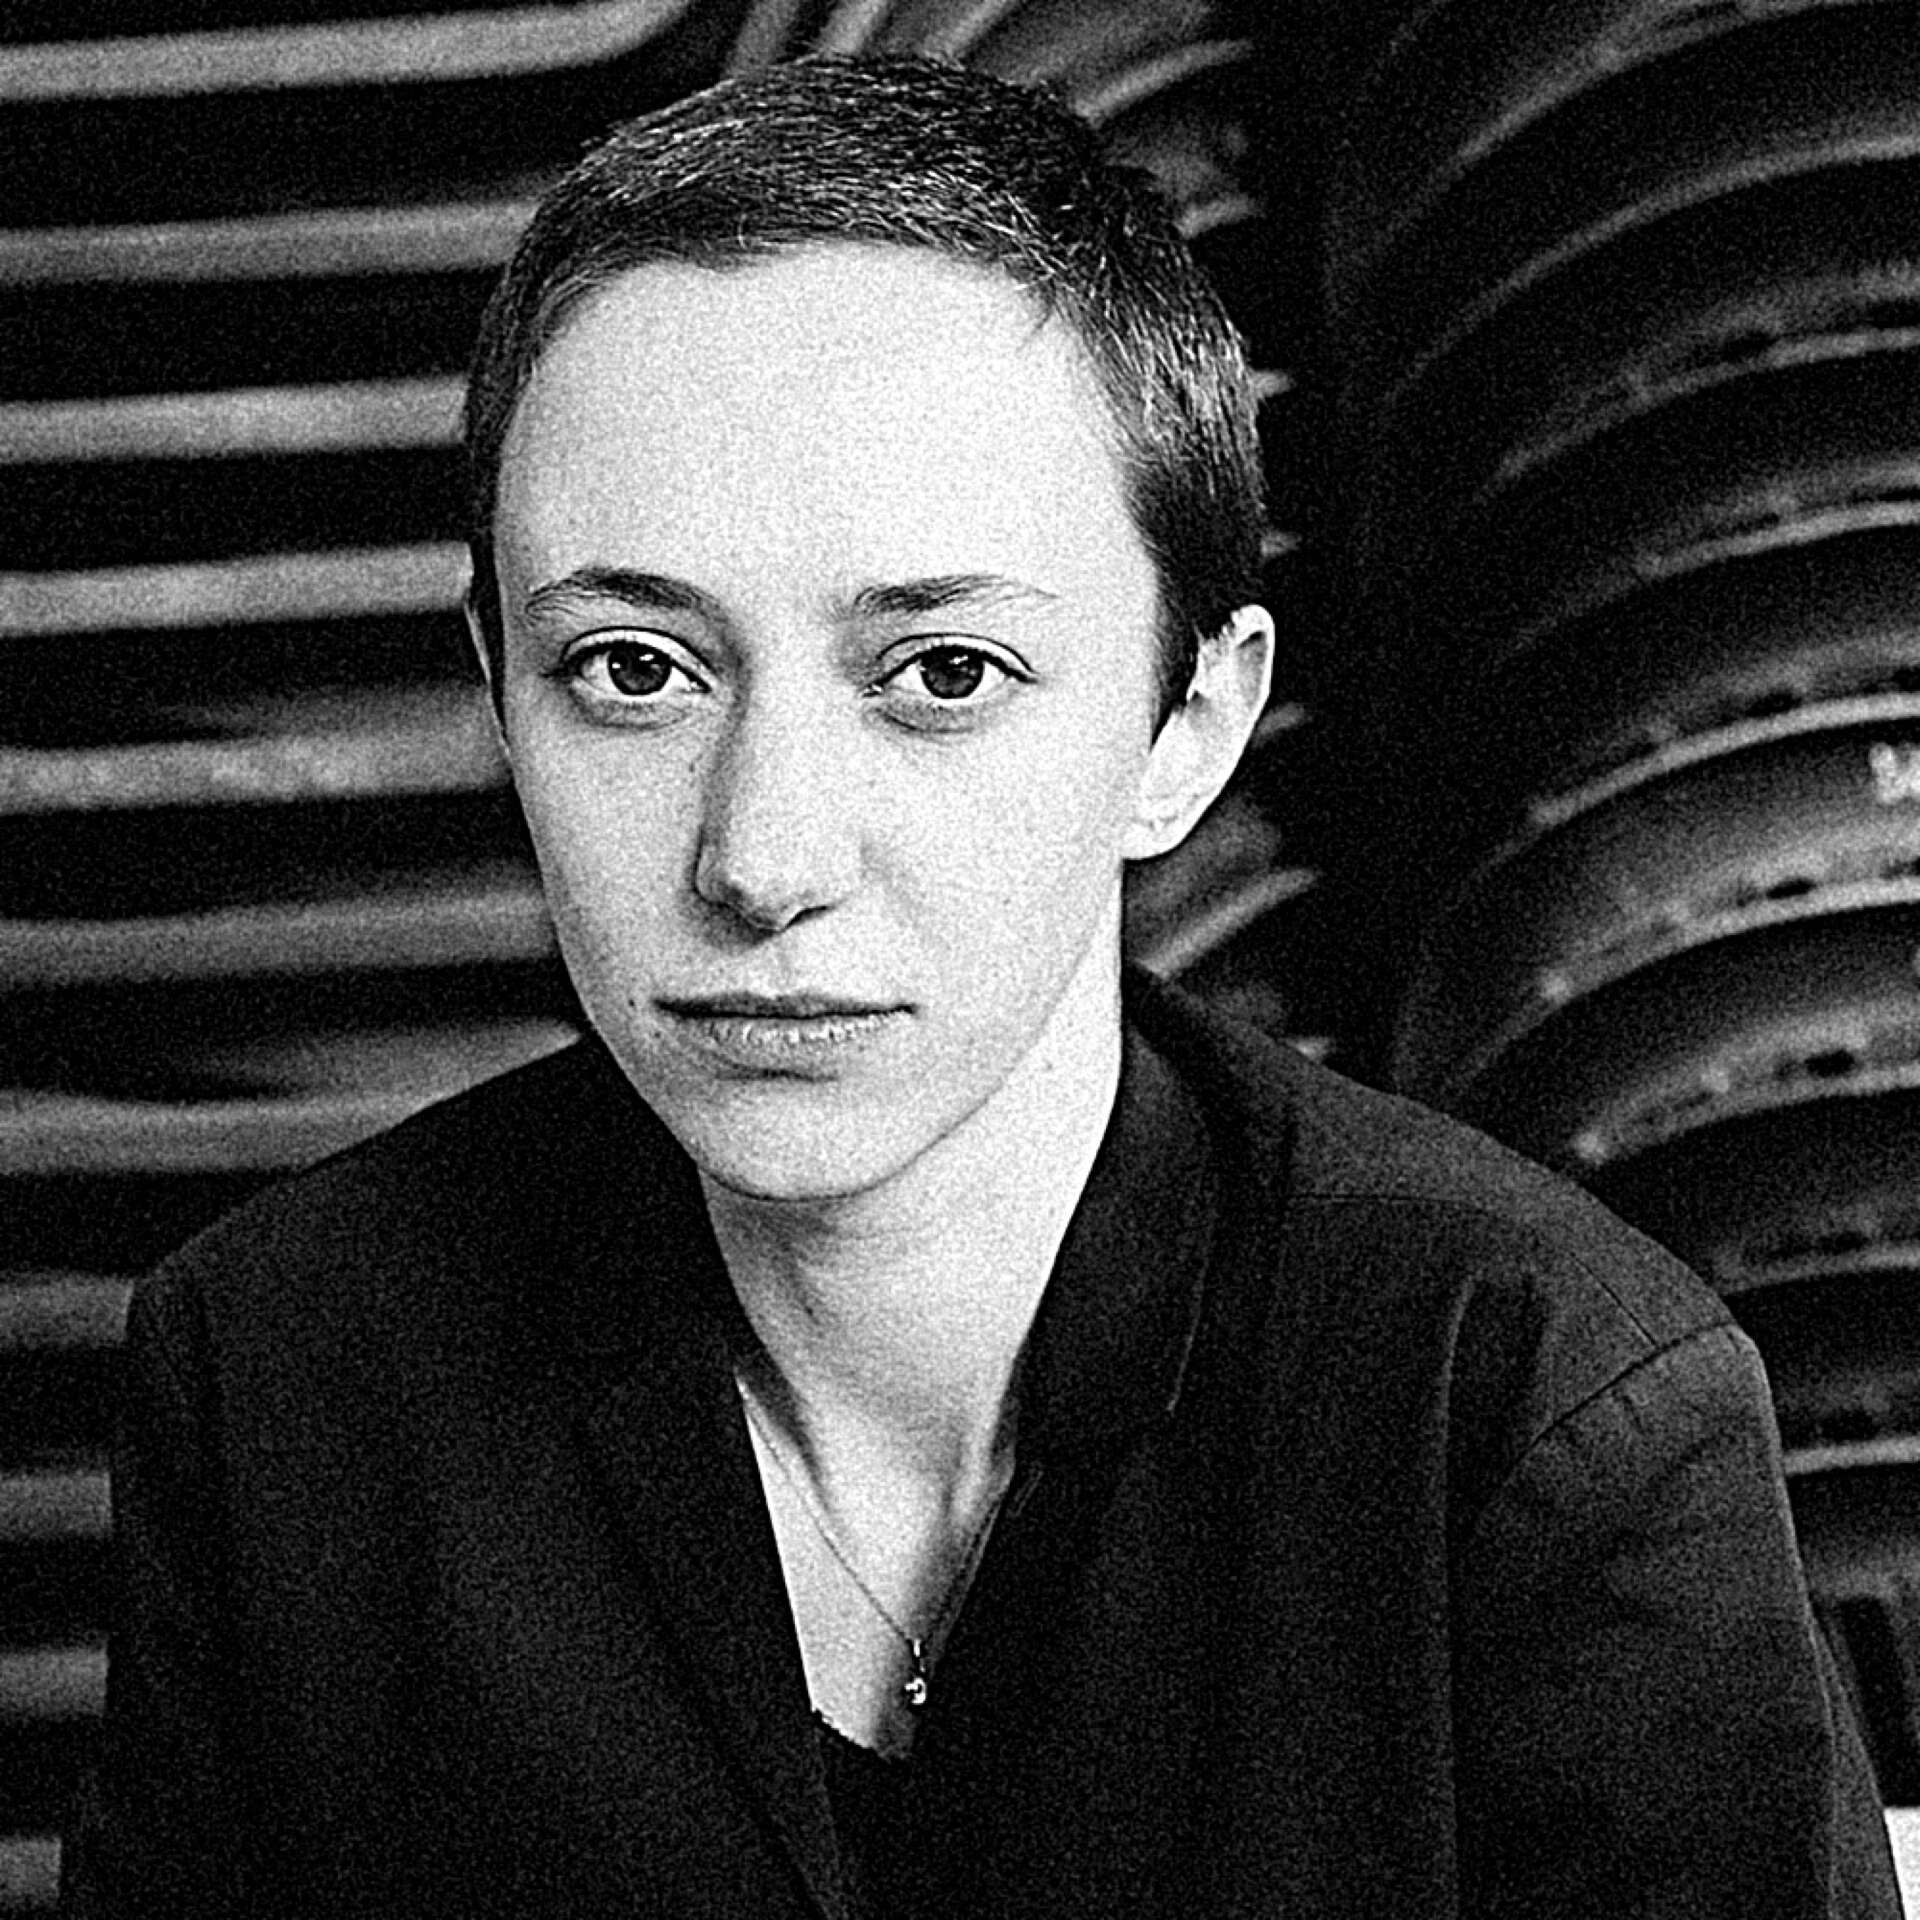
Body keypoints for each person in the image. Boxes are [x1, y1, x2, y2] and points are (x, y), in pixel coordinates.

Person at [62, 54, 1899, 1919]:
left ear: (1189, 726)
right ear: (496, 692)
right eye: (632, 669)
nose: (763, 859)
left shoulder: (1529, 1420)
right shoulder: (286, 1377)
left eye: (941, 674)